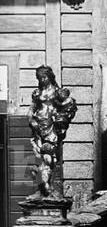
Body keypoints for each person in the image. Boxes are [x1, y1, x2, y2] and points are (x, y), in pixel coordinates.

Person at [28, 64, 77, 198]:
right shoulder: (37, 93)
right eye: (40, 78)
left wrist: (62, 121)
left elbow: (68, 107)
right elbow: (31, 110)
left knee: (49, 158)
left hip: (51, 127)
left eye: (44, 77)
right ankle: (42, 189)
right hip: (38, 127)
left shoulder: (57, 92)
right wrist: (31, 120)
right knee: (37, 158)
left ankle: (48, 188)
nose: (42, 80)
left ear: (49, 77)